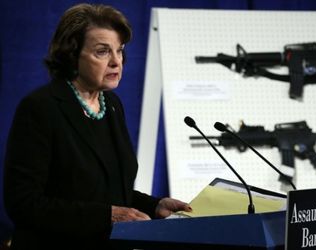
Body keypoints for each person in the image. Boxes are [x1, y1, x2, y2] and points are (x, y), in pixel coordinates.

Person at [3, 3, 191, 250]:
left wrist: (154, 205)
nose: (116, 61)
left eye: (120, 50)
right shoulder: (40, 108)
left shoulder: (111, 105)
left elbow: (108, 192)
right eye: (103, 52)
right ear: (72, 55)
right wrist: (108, 216)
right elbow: (24, 204)